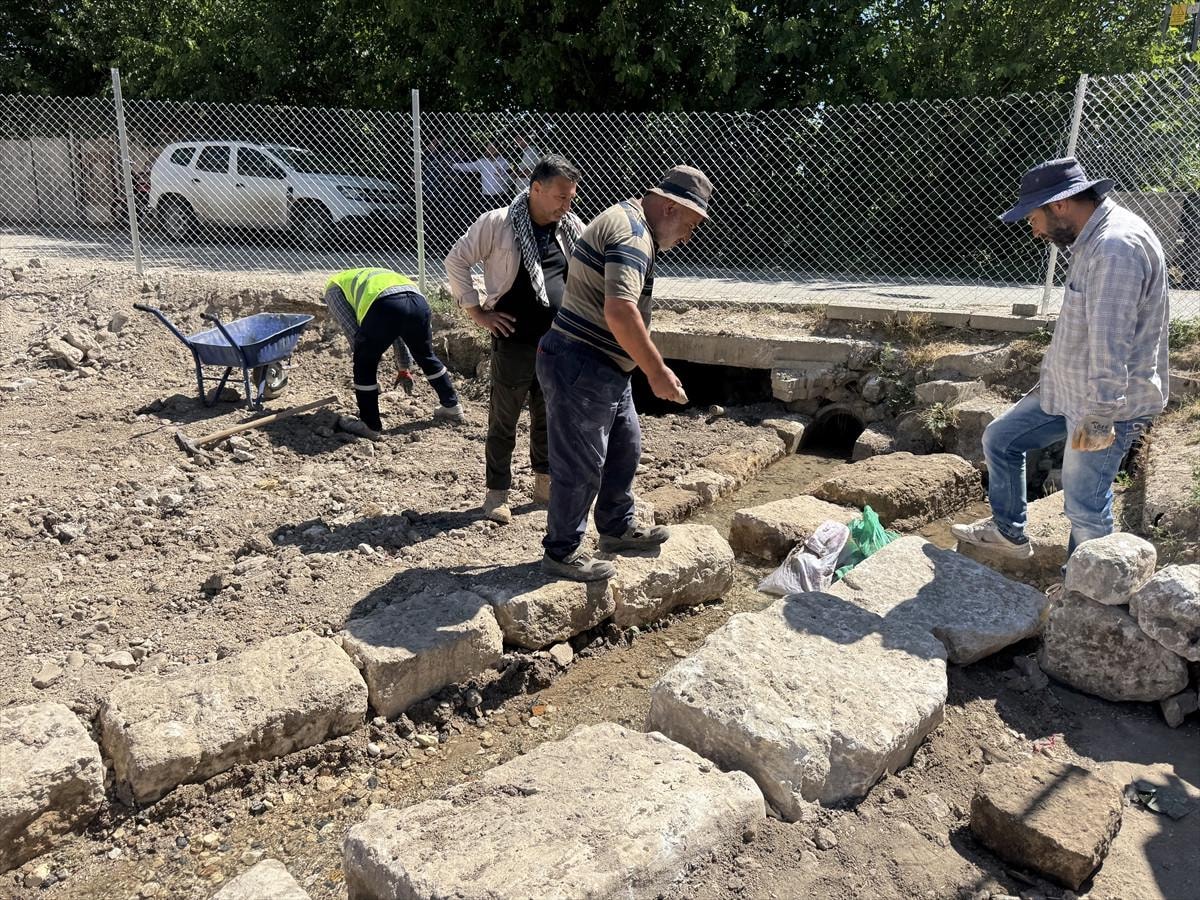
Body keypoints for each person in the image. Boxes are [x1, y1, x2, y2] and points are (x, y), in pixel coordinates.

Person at [952, 157, 1170, 559]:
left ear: (1060, 204)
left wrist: (1100, 418)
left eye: (1034, 218)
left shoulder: (1114, 249)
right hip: (1068, 392)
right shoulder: (1091, 238)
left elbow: (1110, 343)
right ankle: (1009, 532)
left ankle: (1087, 587)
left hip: (1104, 404)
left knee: (1085, 506)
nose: (1034, 231)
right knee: (1001, 439)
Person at [537, 165, 713, 581]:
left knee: (625, 447)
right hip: (581, 362)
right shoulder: (632, 235)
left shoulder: (635, 225)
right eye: (689, 225)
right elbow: (619, 311)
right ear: (669, 208)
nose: (687, 238)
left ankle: (616, 529)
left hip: (603, 366)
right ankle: (561, 552)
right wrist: (657, 371)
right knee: (581, 464)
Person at [445, 154, 584, 524]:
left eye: (571, 198)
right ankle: (497, 494)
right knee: (504, 420)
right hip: (514, 340)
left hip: (558, 342)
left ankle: (545, 487)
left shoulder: (571, 227)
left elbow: (589, 272)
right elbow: (457, 260)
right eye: (561, 197)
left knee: (550, 415)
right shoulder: (498, 223)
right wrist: (476, 311)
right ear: (536, 189)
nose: (567, 206)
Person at [324, 267, 465, 439]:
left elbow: (354, 333)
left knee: (364, 363)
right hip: (418, 303)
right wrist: (403, 367)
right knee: (426, 355)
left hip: (385, 306)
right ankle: (452, 407)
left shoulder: (333, 288)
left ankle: (370, 425)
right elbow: (396, 326)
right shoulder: (373, 277)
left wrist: (370, 360)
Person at [454, 144, 511, 215]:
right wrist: (454, 165)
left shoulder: (504, 162)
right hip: (487, 197)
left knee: (502, 217)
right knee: (488, 217)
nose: (489, 150)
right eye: (488, 148)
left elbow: (510, 179)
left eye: (491, 148)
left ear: (497, 149)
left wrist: (502, 174)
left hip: (502, 195)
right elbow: (469, 167)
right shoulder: (482, 162)